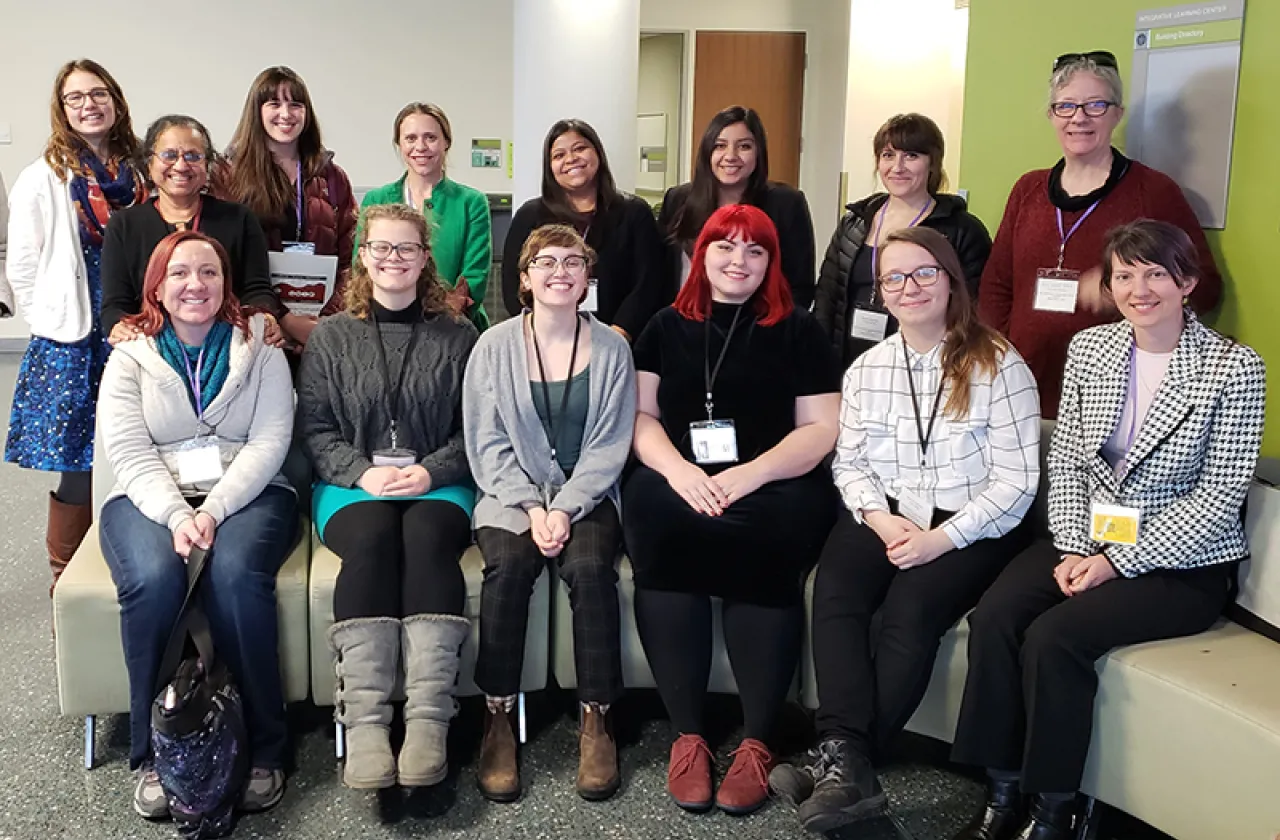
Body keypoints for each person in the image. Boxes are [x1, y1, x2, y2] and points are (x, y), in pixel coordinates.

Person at [951, 219, 1264, 840]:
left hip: (1181, 563)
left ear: (1187, 283)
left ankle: (1054, 809)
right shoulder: (1093, 350)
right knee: (994, 618)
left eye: (1156, 274)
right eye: (1125, 274)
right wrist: (1073, 546)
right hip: (1083, 536)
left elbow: (1220, 497)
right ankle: (1002, 789)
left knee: (1054, 638)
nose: (1139, 288)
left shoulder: (1234, 367)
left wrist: (1119, 560)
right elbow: (1065, 456)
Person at [770, 227, 1041, 833]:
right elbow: (851, 461)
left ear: (950, 279)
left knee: (909, 610)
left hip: (972, 525)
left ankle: (843, 758)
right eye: (894, 278)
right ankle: (849, 760)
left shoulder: (1000, 363)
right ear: (881, 292)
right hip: (886, 513)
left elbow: (1017, 483)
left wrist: (939, 539)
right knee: (835, 591)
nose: (909, 287)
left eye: (924, 273)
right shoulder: (867, 369)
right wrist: (877, 516)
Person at [624, 204, 841, 816]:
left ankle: (756, 740)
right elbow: (642, 418)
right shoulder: (663, 326)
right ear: (701, 253)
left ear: (772, 262)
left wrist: (747, 475)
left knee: (768, 539)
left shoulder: (798, 330)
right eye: (725, 247)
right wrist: (681, 471)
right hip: (681, 476)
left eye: (755, 251)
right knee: (656, 517)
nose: (738, 261)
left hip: (773, 480)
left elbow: (822, 428)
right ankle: (688, 735)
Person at [97, 230, 297, 820]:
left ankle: (266, 749)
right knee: (153, 580)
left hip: (247, 492)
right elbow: (129, 452)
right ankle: (154, 753)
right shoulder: (131, 355)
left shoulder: (259, 345)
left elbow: (270, 441)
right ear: (157, 283)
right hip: (149, 496)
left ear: (225, 281)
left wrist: (212, 509)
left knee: (236, 576)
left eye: (209, 272)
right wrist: (177, 514)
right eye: (180, 273)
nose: (195, 285)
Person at [298, 203, 477, 790]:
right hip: (353, 486)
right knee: (373, 537)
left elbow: (475, 429)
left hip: (441, 482)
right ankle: (368, 726)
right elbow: (317, 428)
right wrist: (360, 472)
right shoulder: (330, 336)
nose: (393, 260)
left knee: (426, 539)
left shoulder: (458, 336)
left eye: (407, 249)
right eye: (381, 248)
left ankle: (428, 722)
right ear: (362, 257)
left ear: (426, 259)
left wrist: (429, 471)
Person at [465, 224, 636, 803]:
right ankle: (496, 717)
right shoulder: (493, 346)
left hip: (588, 496)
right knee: (508, 570)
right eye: (545, 262)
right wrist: (532, 506)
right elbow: (485, 444)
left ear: (589, 278)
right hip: (509, 496)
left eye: (573, 262)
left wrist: (563, 507)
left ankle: (597, 719)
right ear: (524, 278)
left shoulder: (614, 348)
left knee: (591, 571)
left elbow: (611, 444)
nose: (560, 271)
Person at [977, 50, 1221, 419]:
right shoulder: (1027, 189)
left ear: (1117, 114)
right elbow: (996, 286)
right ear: (1051, 115)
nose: (1079, 118)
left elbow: (1203, 287)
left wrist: (1126, 288)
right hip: (1022, 385)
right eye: (1066, 106)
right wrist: (1002, 356)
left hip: (1116, 393)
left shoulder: (1153, 191)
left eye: (1095, 105)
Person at [4, 59, 147, 592]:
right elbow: (22, 262)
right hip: (75, 335)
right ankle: (68, 580)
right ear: (61, 109)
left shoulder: (137, 170)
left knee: (134, 447)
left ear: (116, 100)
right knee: (78, 461)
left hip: (131, 324)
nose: (89, 105)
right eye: (75, 98)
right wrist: (48, 319)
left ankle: (126, 569)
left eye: (98, 94)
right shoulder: (45, 176)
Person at [813, 114, 992, 367]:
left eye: (911, 156)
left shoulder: (962, 231)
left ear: (933, 163)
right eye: (888, 155)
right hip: (848, 364)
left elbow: (973, 308)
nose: (898, 167)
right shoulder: (854, 222)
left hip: (927, 367)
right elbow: (827, 297)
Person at [101, 114, 292, 344]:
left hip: (227, 346)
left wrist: (265, 316)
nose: (181, 165)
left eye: (193, 156)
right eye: (169, 155)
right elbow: (115, 305)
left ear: (208, 165)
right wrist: (118, 325)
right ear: (149, 163)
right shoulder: (124, 225)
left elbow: (257, 289)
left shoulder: (239, 219)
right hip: (152, 348)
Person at [217, 66, 357, 347]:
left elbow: (350, 254)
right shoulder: (228, 175)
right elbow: (223, 259)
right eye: (274, 104)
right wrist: (279, 317)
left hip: (322, 327)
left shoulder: (332, 176)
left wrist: (325, 320)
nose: (286, 114)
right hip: (257, 326)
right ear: (256, 111)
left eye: (295, 104)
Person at [501, 118, 665, 340]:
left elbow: (649, 282)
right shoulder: (530, 216)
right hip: (547, 342)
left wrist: (619, 334)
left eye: (580, 148)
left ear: (597, 153)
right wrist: (541, 332)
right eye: (559, 155)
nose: (571, 159)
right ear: (550, 167)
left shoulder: (633, 213)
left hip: (621, 340)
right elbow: (513, 282)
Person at [659, 106, 816, 308]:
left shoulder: (786, 203)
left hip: (759, 330)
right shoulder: (678, 199)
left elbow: (800, 286)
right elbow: (660, 276)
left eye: (744, 146)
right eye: (720, 145)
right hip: (685, 325)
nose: (730, 156)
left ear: (759, 152)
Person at [360, 102, 491, 331]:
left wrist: (441, 316)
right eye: (410, 138)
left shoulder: (472, 202)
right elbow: (359, 267)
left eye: (430, 137)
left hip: (454, 327)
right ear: (399, 144)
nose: (420, 147)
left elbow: (475, 274)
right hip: (385, 325)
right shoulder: (376, 199)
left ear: (446, 142)